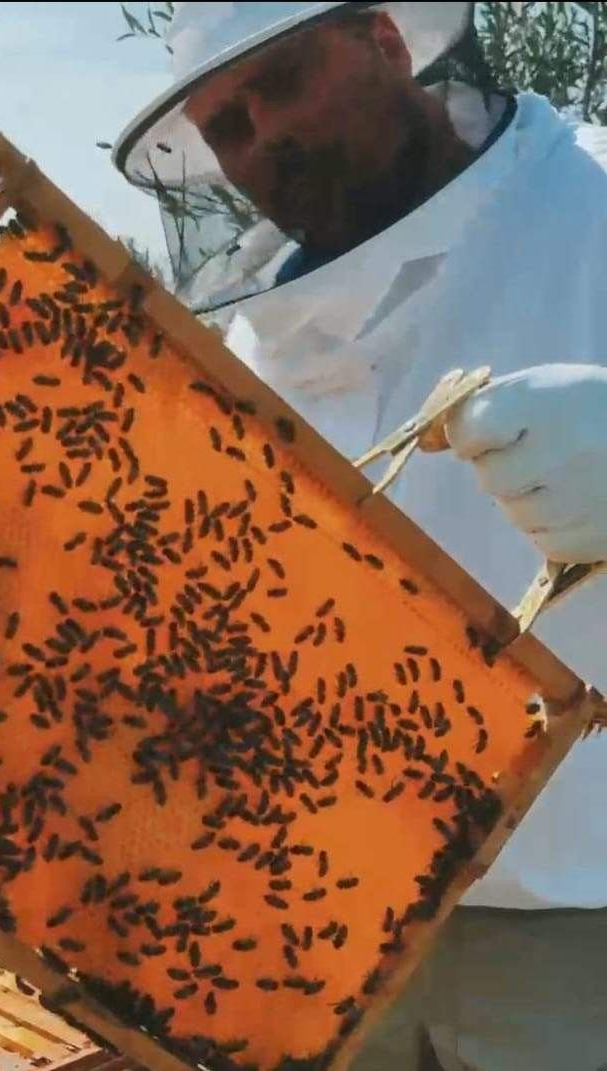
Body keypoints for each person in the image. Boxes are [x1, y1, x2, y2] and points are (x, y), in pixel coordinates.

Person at [112, 4, 607, 1069]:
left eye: (280, 83)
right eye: (227, 126)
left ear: (386, 41)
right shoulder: (254, 343)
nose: (262, 140)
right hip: (333, 925)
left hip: (584, 911)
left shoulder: (595, 200)